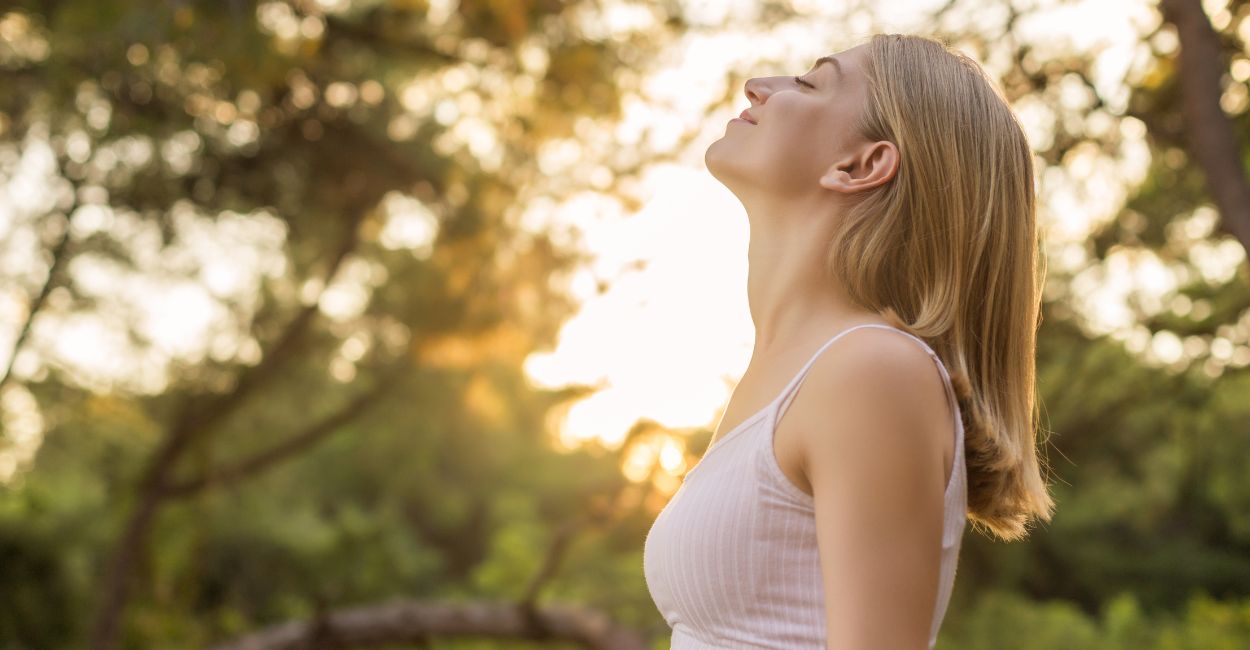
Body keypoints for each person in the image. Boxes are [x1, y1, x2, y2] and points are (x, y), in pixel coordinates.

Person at [642, 33, 1057, 649]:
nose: (760, 84)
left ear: (860, 165)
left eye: (809, 84)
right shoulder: (797, 371)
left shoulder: (872, 371)